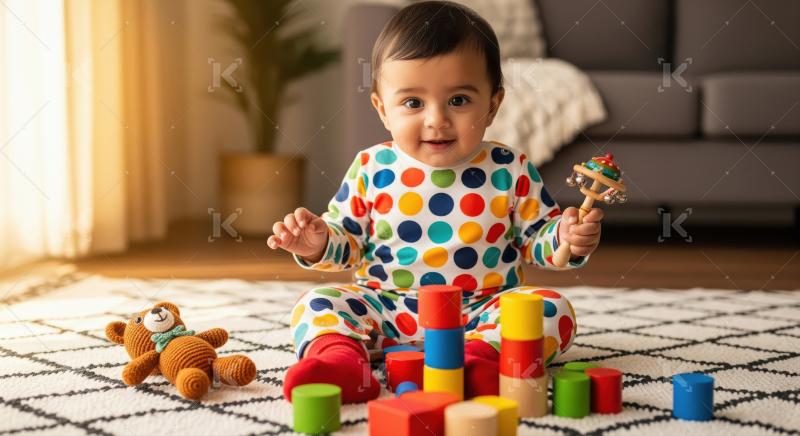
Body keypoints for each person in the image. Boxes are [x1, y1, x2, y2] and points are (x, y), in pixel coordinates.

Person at [268, 0, 603, 404]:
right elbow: (348, 242)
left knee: (552, 309)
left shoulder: (508, 167)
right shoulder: (371, 166)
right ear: (383, 109)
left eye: (459, 100)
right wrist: (318, 244)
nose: (436, 119)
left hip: (480, 312)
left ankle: (480, 361)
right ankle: (341, 363)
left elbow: (539, 241)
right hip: (387, 310)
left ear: (493, 105)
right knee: (317, 304)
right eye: (413, 103)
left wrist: (566, 236)